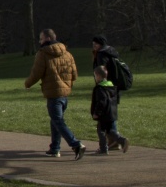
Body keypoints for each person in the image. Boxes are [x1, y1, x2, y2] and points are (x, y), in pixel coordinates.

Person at [22, 29, 85, 159]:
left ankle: (75, 144)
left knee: (58, 120)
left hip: (53, 93)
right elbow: (75, 74)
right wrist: (67, 84)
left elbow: (36, 73)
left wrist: (27, 84)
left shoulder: (43, 54)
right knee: (55, 120)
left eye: (41, 38)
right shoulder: (67, 54)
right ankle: (55, 148)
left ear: (48, 39)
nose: (40, 41)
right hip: (65, 93)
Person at [90, 64, 129, 154]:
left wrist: (97, 113)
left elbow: (101, 102)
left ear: (98, 76)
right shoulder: (111, 87)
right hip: (112, 112)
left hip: (104, 114)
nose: (95, 78)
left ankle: (104, 149)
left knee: (101, 131)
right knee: (110, 130)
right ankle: (122, 141)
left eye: (95, 76)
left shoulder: (100, 88)